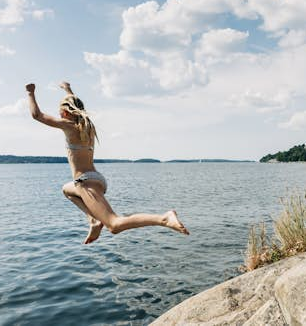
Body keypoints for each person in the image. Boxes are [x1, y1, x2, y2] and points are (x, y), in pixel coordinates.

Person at [25, 82, 189, 244]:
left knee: (114, 225)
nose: (59, 114)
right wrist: (67, 89)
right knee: (67, 190)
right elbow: (75, 104)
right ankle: (94, 220)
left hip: (86, 182)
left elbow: (37, 115)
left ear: (66, 113)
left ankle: (163, 219)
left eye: (60, 111)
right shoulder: (87, 127)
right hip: (95, 178)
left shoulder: (69, 126)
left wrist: (30, 93)